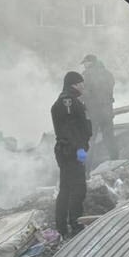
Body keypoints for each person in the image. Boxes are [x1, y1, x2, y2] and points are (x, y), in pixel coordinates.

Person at [51, 71, 92, 236]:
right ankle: (76, 225)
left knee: (66, 189)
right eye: (81, 83)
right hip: (71, 151)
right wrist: (79, 147)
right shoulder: (67, 101)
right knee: (78, 188)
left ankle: (62, 227)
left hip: (68, 150)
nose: (83, 86)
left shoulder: (71, 100)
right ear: (74, 84)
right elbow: (70, 128)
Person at [81, 54, 118, 161]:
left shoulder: (86, 75)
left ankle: (87, 166)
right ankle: (115, 160)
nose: (84, 65)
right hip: (107, 111)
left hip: (93, 113)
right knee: (109, 138)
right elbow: (109, 90)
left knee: (90, 140)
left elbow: (85, 93)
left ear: (90, 62)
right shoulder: (107, 74)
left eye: (85, 63)